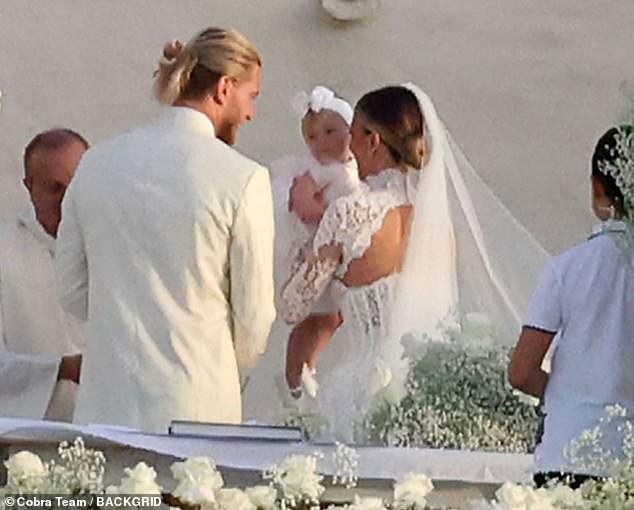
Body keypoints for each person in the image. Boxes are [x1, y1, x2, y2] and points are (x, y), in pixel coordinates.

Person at [279, 83, 548, 443]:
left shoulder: (348, 215)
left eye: (354, 135)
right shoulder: (437, 224)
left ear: (373, 140)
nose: (349, 148)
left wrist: (303, 245)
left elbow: (293, 306)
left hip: (365, 391)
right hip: (429, 393)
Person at [55, 27, 276, 433]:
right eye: (253, 95)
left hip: (106, 405)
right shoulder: (243, 178)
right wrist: (221, 369)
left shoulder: (96, 163)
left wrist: (120, 321)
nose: (251, 114)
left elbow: (70, 288)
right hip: (199, 409)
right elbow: (255, 316)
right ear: (225, 88)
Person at [509, 125, 634, 487]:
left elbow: (521, 371)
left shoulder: (566, 268)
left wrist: (568, 394)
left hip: (569, 450)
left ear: (598, 188)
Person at [243, 86, 360, 422]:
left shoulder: (354, 169)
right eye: (312, 137)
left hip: (337, 256)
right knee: (312, 317)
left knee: (331, 318)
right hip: (311, 251)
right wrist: (327, 213)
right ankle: (295, 373)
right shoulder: (312, 171)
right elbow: (304, 204)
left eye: (330, 132)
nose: (320, 143)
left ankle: (307, 369)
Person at [0, 129, 88, 421]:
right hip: (23, 435)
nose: (68, 201)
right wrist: (62, 368)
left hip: (104, 424)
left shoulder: (112, 250)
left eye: (76, 186)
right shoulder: (4, 251)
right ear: (29, 186)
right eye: (55, 188)